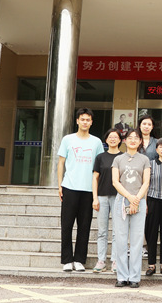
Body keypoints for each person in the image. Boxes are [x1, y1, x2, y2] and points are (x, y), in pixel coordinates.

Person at [57, 107, 104, 272]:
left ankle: (79, 259)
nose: (85, 122)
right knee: (67, 224)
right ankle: (67, 260)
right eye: (82, 119)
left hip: (88, 190)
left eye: (88, 120)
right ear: (77, 121)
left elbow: (99, 167)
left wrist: (97, 191)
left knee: (84, 226)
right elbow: (61, 163)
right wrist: (60, 185)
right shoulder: (67, 139)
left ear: (91, 122)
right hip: (69, 187)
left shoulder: (96, 142)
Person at [111, 128, 151, 288]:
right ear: (125, 140)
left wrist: (136, 200)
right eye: (130, 137)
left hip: (139, 200)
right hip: (122, 200)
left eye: (136, 138)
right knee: (120, 239)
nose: (133, 140)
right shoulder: (118, 159)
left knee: (136, 240)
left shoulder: (144, 159)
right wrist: (129, 197)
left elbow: (146, 182)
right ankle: (122, 276)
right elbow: (115, 182)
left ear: (140, 141)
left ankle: (134, 277)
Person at [92, 128, 122, 274]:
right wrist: (95, 198)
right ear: (106, 140)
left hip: (118, 197)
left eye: (115, 137)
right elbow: (95, 178)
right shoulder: (100, 157)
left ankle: (115, 261)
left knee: (117, 231)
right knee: (102, 231)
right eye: (110, 137)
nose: (113, 139)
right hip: (102, 197)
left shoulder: (123, 157)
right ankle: (101, 261)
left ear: (120, 140)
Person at [145, 137, 162, 277]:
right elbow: (146, 184)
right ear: (156, 149)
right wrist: (145, 203)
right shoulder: (150, 164)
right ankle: (151, 264)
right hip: (152, 200)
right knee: (151, 233)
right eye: (160, 146)